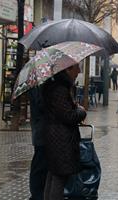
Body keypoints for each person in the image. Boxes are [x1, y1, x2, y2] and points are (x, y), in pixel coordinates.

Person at [42, 64, 87, 200]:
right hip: (60, 139)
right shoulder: (59, 88)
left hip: (56, 137)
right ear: (67, 69)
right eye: (77, 67)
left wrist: (73, 106)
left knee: (53, 175)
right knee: (58, 178)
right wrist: (81, 111)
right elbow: (68, 116)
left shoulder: (57, 85)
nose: (79, 71)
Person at [29, 87, 48, 200]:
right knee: (39, 164)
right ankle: (36, 195)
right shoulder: (38, 86)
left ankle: (38, 194)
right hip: (41, 129)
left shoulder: (39, 84)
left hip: (41, 128)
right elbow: (41, 104)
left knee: (41, 164)